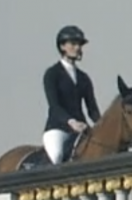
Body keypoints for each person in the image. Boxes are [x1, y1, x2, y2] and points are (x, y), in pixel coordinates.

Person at [42, 25, 99, 165]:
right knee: (56, 156)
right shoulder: (52, 74)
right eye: (73, 44)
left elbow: (92, 110)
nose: (77, 48)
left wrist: (103, 125)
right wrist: (71, 122)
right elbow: (54, 106)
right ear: (62, 46)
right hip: (58, 129)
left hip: (81, 130)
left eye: (79, 45)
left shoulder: (84, 78)